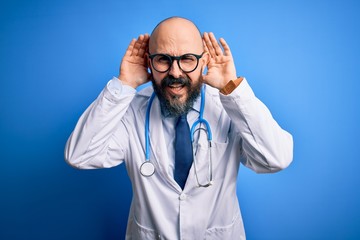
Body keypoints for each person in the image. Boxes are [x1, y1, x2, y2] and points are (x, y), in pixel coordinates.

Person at [65, 16, 293, 239]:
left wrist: (232, 89)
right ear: (149, 61)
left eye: (187, 59)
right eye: (163, 59)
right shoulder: (130, 110)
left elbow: (276, 158)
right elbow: (80, 155)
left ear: (203, 61)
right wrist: (123, 85)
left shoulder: (230, 106)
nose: (175, 72)